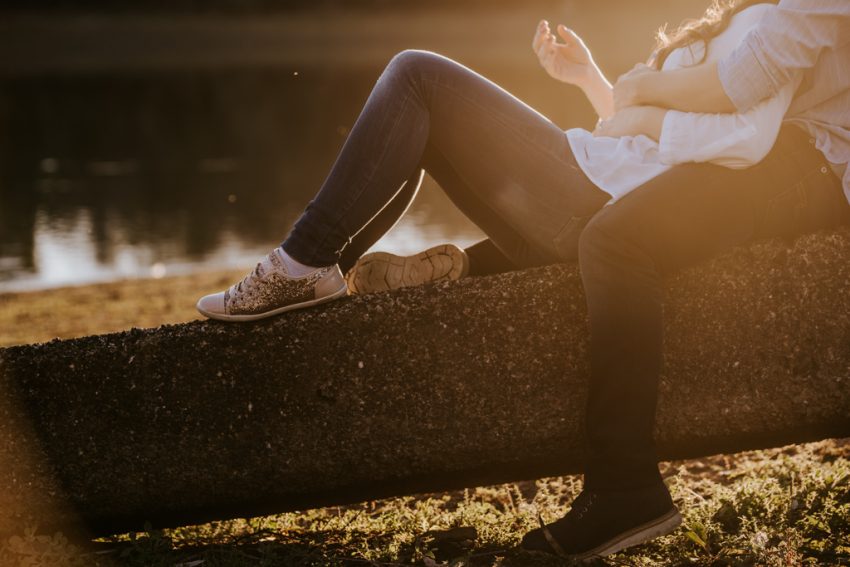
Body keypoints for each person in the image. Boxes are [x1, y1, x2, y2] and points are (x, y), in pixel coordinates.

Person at [194, 0, 849, 560]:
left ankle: (305, 263)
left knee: (416, 76)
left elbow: (726, 132)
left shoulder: (772, 30)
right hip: (611, 173)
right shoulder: (751, 21)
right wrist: (598, 82)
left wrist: (643, 93)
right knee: (423, 117)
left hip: (613, 188)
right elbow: (654, 140)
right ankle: (318, 268)